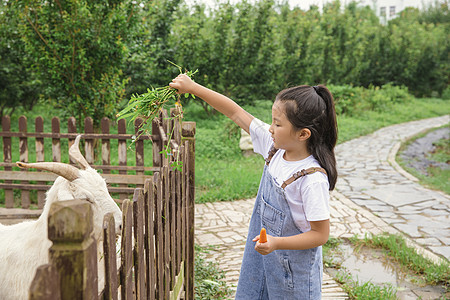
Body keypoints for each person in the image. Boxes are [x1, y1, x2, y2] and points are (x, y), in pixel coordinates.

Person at [170, 74, 337, 299]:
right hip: (261, 260)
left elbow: (320, 234)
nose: (270, 129)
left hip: (293, 276)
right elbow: (235, 112)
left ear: (303, 134)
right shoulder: (276, 149)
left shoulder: (311, 179)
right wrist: (193, 88)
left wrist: (277, 243)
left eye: (278, 124)